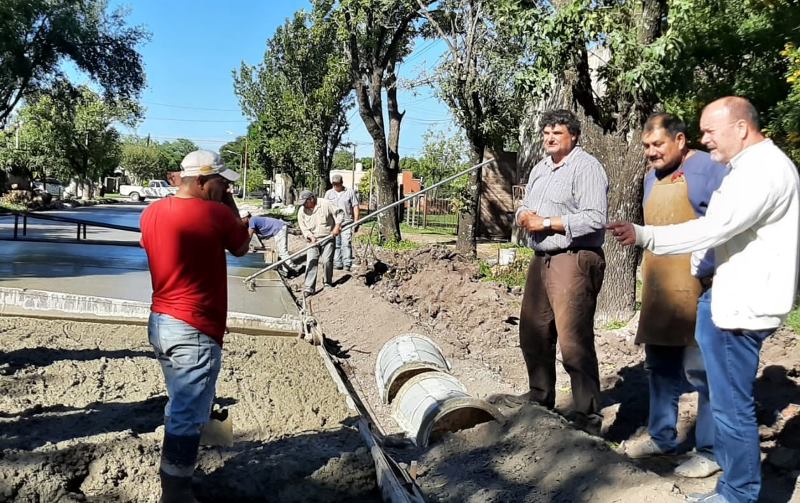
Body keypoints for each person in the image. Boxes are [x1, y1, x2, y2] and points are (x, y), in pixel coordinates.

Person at [609, 97, 800, 503]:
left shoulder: (763, 170)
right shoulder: (746, 168)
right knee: (716, 394)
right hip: (726, 297)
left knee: (730, 407)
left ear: (741, 128)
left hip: (741, 306)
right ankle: (730, 487)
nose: (705, 138)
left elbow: (715, 227)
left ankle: (737, 494)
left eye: (711, 130)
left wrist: (646, 235)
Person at [140, 150, 250, 502]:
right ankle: (175, 494)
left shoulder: (152, 212)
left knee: (180, 403)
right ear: (201, 181)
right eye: (221, 183)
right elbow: (241, 246)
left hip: (162, 323)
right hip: (194, 328)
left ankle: (176, 478)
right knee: (186, 414)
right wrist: (230, 206)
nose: (226, 189)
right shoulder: (216, 214)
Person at [622, 113, 727, 478]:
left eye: (658, 145)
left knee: (705, 373)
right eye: (646, 146)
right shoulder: (651, 177)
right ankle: (662, 436)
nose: (651, 152)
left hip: (703, 288)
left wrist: (714, 273)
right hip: (660, 288)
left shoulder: (710, 170)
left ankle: (711, 451)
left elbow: (728, 227)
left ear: (680, 140)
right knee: (660, 369)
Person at [514, 109, 609, 435]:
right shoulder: (541, 168)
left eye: (557, 133)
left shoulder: (587, 167)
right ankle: (540, 397)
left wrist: (547, 222)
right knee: (533, 331)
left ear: (574, 136)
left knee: (573, 339)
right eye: (546, 133)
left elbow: (595, 218)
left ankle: (588, 416)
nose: (549, 138)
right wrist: (523, 215)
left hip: (573, 258)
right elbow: (525, 205)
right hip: (541, 257)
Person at [296, 190, 343, 296]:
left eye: (305, 202)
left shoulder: (325, 204)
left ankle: (327, 283)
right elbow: (303, 228)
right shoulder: (301, 211)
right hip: (312, 239)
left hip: (328, 237)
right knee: (311, 262)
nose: (304, 205)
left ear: (311, 199)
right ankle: (309, 288)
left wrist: (337, 226)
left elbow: (339, 213)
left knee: (327, 261)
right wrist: (310, 237)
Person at [238, 210, 301, 275]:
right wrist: (260, 246)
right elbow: (255, 236)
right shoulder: (253, 222)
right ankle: (287, 270)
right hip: (279, 228)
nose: (241, 221)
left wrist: (245, 247)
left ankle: (294, 268)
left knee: (282, 252)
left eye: (241, 219)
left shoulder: (252, 220)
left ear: (246, 217)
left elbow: (249, 236)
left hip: (279, 228)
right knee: (281, 252)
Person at [324, 174, 360, 271]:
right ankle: (337, 263)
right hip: (333, 223)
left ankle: (347, 263)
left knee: (346, 243)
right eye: (334, 184)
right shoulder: (329, 194)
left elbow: (355, 206)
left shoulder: (349, 192)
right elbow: (325, 208)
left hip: (346, 222)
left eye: (337, 184)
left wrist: (356, 221)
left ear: (341, 183)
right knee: (336, 244)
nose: (335, 186)